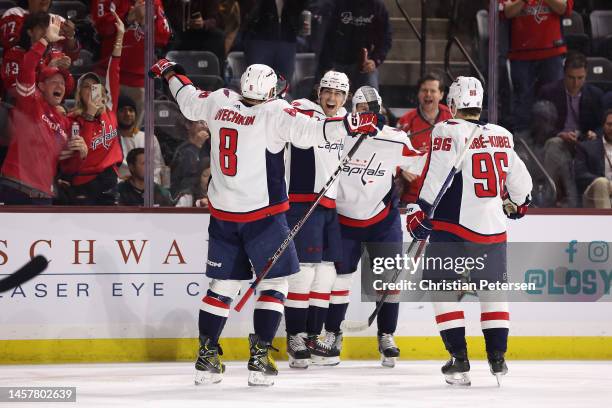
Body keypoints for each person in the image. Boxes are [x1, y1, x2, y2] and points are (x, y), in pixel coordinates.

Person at [149, 59, 383, 386]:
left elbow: (187, 98)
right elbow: (312, 131)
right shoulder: (275, 113)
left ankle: (206, 359)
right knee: (275, 285)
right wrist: (350, 124)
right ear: (270, 91)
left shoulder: (219, 101)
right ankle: (259, 359)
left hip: (223, 216)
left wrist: (170, 72)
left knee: (222, 288)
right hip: (264, 217)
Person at [405, 76, 533, 386]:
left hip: (454, 228)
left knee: (443, 289)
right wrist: (517, 204)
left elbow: (435, 176)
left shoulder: (447, 130)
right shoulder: (502, 135)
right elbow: (522, 184)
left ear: (451, 104)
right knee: (493, 293)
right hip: (493, 230)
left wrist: (418, 211)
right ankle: (498, 359)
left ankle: (459, 360)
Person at [323, 86, 425, 368]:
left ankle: (386, 335)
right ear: (352, 110)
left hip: (383, 220)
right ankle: (332, 334)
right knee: (338, 280)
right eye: (361, 110)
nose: (366, 115)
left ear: (380, 110)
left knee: (388, 281)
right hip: (343, 220)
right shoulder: (337, 134)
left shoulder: (394, 138)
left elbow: (420, 163)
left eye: (371, 110)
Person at [282, 70, 349, 368]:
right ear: (318, 92)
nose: (331, 98)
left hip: (330, 206)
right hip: (302, 201)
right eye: (327, 91)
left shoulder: (347, 118)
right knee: (304, 273)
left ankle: (312, 335)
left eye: (338, 93)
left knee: (327, 275)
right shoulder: (302, 110)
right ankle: (294, 336)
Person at [0, 16, 87, 205]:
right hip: (16, 186)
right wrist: (45, 41)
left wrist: (81, 153)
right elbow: (27, 67)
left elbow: (68, 166)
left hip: (44, 196)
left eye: (63, 83)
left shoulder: (65, 123)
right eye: (54, 81)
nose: (60, 86)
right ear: (40, 85)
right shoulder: (30, 102)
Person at [66, 11, 124, 205]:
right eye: (86, 87)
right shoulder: (73, 119)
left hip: (108, 180)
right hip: (83, 182)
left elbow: (114, 68)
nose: (91, 90)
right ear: (79, 95)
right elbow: (83, 151)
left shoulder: (109, 108)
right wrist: (89, 116)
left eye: (95, 86)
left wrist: (120, 36)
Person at [537, 52, 604, 207]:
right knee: (554, 144)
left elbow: (602, 125)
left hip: (585, 143)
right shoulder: (548, 92)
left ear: (586, 75)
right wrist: (560, 134)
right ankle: (551, 196)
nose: (575, 83)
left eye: (580, 78)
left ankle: (589, 196)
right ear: (564, 74)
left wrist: (596, 133)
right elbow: (540, 126)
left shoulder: (595, 94)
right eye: (571, 78)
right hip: (559, 139)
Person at [499, 0, 573, 131]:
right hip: (521, 53)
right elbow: (507, 12)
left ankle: (553, 138)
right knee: (522, 100)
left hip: (552, 51)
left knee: (554, 99)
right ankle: (522, 141)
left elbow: (564, 8)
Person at [397, 73, 453, 205]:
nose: (428, 94)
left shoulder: (453, 119)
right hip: (412, 197)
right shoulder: (406, 121)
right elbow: (391, 152)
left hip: (444, 196)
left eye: (433, 91)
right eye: (424, 90)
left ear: (441, 95)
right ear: (418, 94)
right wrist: (401, 169)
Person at [317, 0, 392, 91]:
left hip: (362, 63)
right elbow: (322, 35)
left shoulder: (378, 6)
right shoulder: (334, 3)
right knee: (328, 95)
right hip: (333, 62)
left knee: (371, 97)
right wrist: (327, 66)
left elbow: (385, 38)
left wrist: (375, 60)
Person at [1, 11, 72, 100]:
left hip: (47, 106)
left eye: (48, 28)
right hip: (20, 107)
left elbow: (69, 88)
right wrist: (48, 71)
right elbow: (15, 90)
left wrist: (64, 71)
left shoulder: (55, 54)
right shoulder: (15, 53)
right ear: (30, 32)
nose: (46, 31)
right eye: (42, 27)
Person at [241, 0, 309, 83]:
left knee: (284, 82)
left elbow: (303, 5)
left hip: (287, 37)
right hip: (259, 37)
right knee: (257, 81)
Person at [0, 0, 80, 61]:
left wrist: (70, 36)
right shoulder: (15, 13)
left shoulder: (58, 20)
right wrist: (45, 38)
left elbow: (72, 57)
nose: (44, 0)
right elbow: (10, 43)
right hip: (21, 70)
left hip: (52, 77)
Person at [116, 94, 165, 184]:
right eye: (122, 110)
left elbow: (157, 169)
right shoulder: (111, 140)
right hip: (120, 189)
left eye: (131, 110)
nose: (127, 114)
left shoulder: (150, 138)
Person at [575, 109, 612, 208]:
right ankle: (605, 222)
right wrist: (608, 184)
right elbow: (580, 174)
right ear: (603, 125)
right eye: (609, 124)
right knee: (601, 182)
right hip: (594, 192)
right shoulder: (587, 147)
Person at [170, 119, 210, 198]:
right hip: (186, 198)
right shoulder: (181, 150)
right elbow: (185, 177)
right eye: (201, 123)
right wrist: (196, 145)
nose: (205, 127)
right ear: (188, 125)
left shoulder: (211, 146)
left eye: (206, 123)